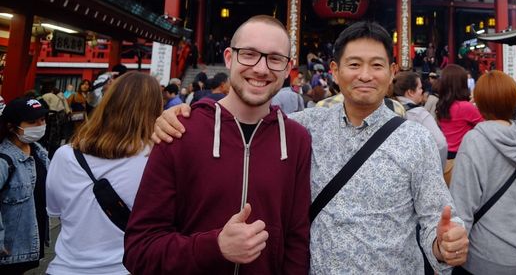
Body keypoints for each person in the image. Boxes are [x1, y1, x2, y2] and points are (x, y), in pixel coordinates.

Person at [154, 21, 469, 274]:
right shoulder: (301, 128)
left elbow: (436, 218)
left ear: (391, 72)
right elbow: (248, 119)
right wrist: (184, 114)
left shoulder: (416, 139)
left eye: (376, 65)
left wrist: (444, 244)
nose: (364, 75)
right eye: (354, 64)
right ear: (334, 71)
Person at [124, 15, 312, 274]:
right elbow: (139, 250)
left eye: (275, 59)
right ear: (228, 57)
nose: (261, 68)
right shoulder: (180, 131)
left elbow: (296, 241)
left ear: (288, 67)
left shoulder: (297, 140)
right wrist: (214, 247)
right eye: (248, 54)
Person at [45, 72, 163, 275]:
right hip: (124, 268)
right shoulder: (155, 159)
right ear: (155, 109)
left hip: (65, 267)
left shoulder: (65, 155)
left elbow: (55, 210)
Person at [450, 71, 516, 275]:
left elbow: (462, 204)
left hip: (484, 257)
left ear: (480, 102)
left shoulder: (474, 141)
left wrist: (453, 253)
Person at [0, 97, 50, 274]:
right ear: (11, 126)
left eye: (42, 120)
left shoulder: (40, 152)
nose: (39, 125)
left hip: (30, 243)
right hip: (8, 250)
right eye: (31, 121)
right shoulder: (4, 159)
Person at [436, 64, 483, 185]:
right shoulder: (464, 107)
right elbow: (485, 125)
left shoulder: (441, 105)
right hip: (461, 158)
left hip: (444, 159)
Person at [393, 70, 447, 169]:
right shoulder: (419, 114)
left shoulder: (386, 108)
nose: (422, 91)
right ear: (410, 92)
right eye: (420, 88)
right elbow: (441, 144)